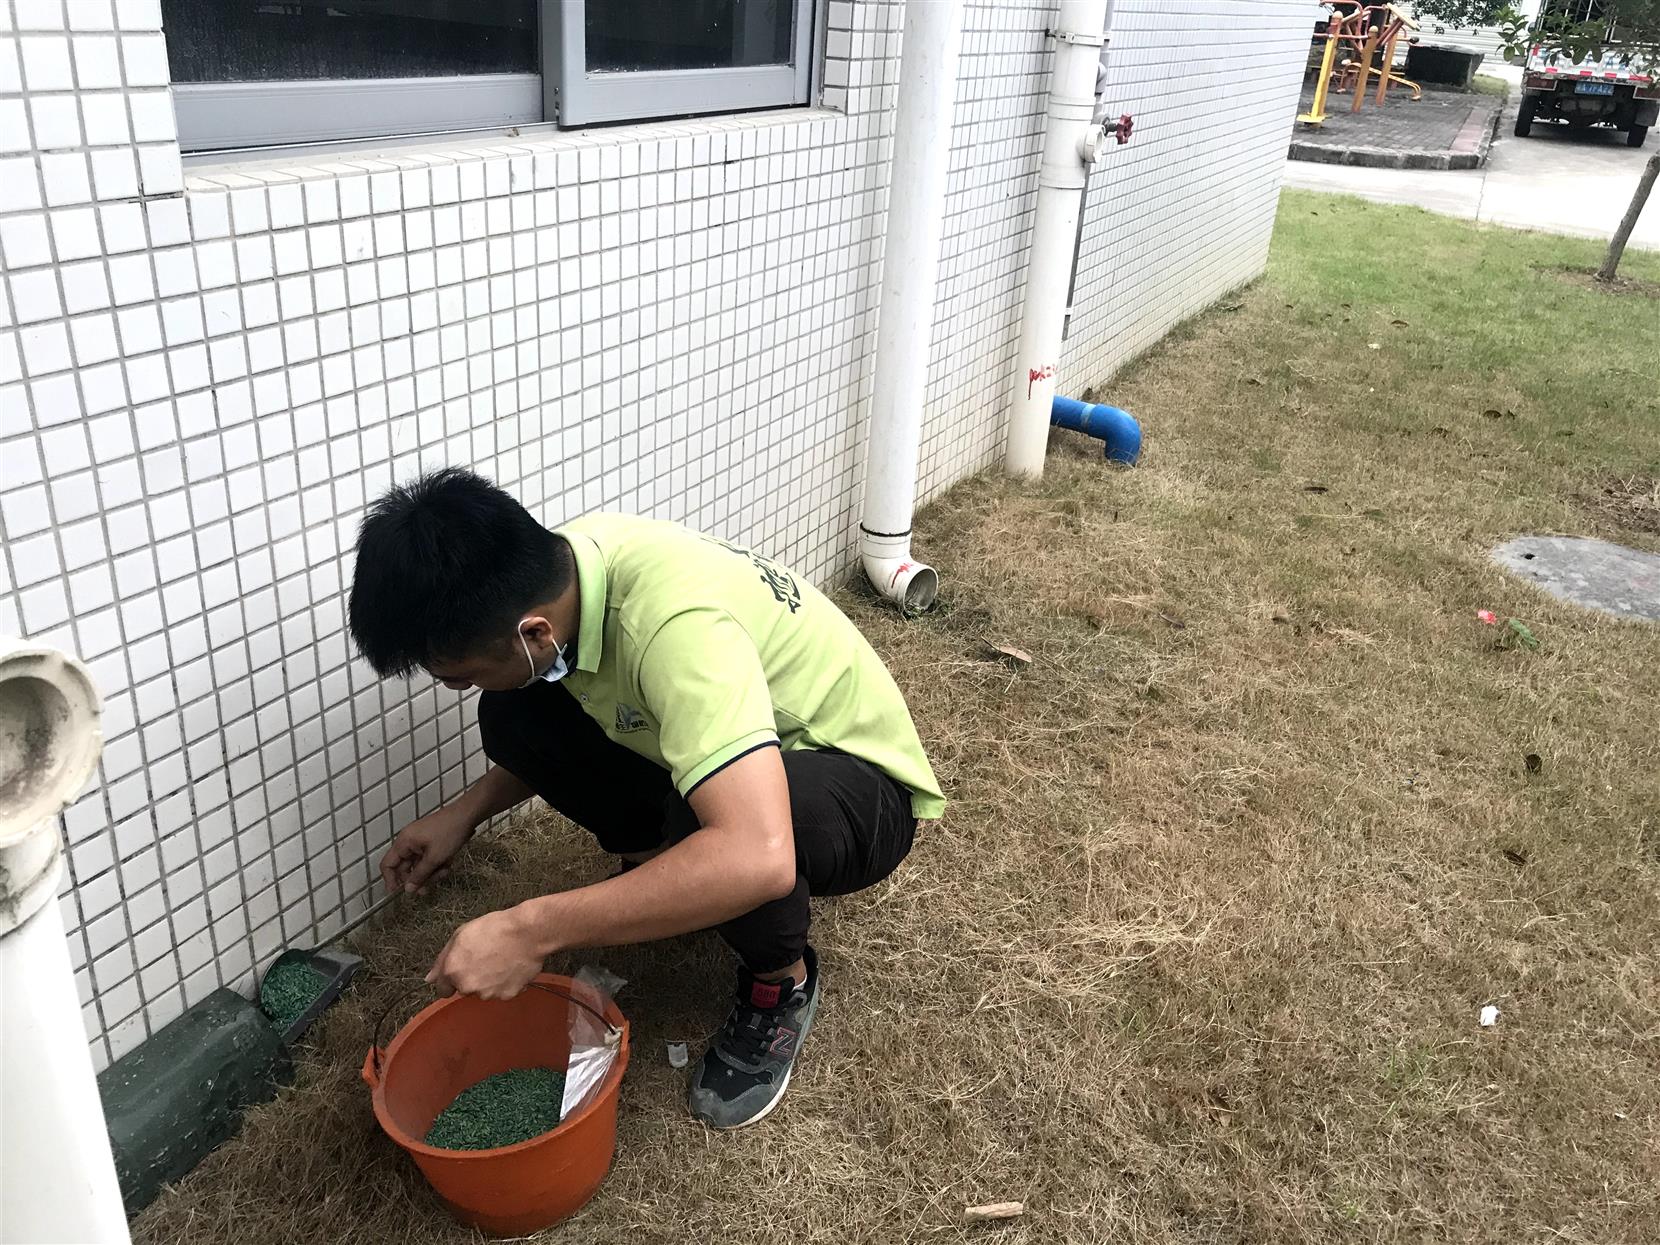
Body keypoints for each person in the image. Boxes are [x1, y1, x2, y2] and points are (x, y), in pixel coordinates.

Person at [346, 469, 945, 1129]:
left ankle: (783, 979)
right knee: (517, 715)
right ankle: (662, 878)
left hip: (858, 781)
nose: (458, 688)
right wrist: (462, 814)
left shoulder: (673, 628)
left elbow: (758, 852)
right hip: (750, 752)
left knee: (714, 833)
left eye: (460, 674)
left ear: (533, 633)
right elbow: (585, 708)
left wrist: (531, 927)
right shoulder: (569, 573)